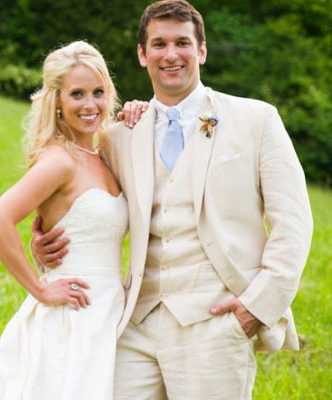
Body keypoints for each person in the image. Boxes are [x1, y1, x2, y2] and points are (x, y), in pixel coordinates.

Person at [32, 1, 313, 399]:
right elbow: (85, 201)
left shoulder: (257, 120)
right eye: (158, 44)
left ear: (202, 51)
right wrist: (43, 243)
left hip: (216, 321)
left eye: (182, 43)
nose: (170, 54)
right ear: (142, 54)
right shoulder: (120, 136)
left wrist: (257, 306)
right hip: (136, 322)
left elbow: (295, 223)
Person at [0, 40, 127, 399]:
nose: (90, 105)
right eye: (77, 94)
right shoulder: (59, 160)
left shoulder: (102, 153)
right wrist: (41, 289)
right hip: (72, 312)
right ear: (57, 100)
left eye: (98, 92)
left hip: (108, 307)